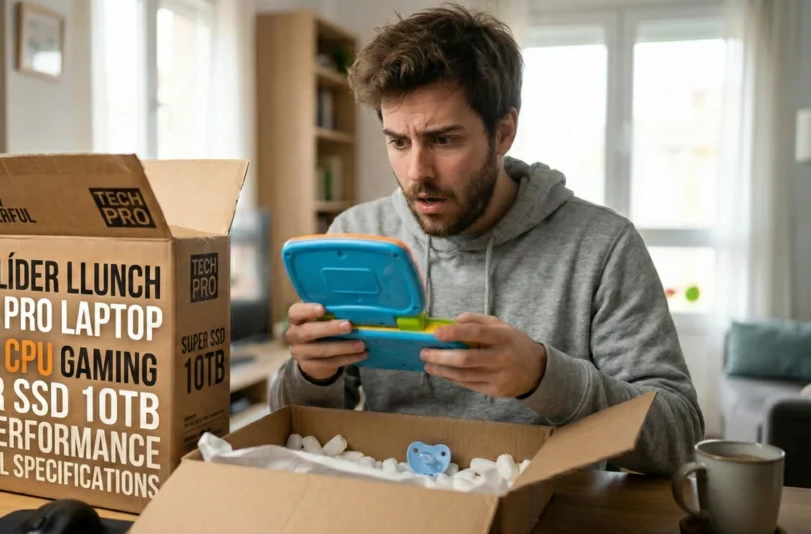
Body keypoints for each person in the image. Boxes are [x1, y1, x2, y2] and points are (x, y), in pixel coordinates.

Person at [268, 3, 704, 477]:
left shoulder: (602, 246)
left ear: (503, 132)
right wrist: (313, 372)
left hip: (547, 506)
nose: (417, 174)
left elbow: (678, 437)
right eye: (398, 142)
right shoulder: (353, 237)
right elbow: (295, 426)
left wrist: (543, 377)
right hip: (393, 504)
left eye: (444, 140)